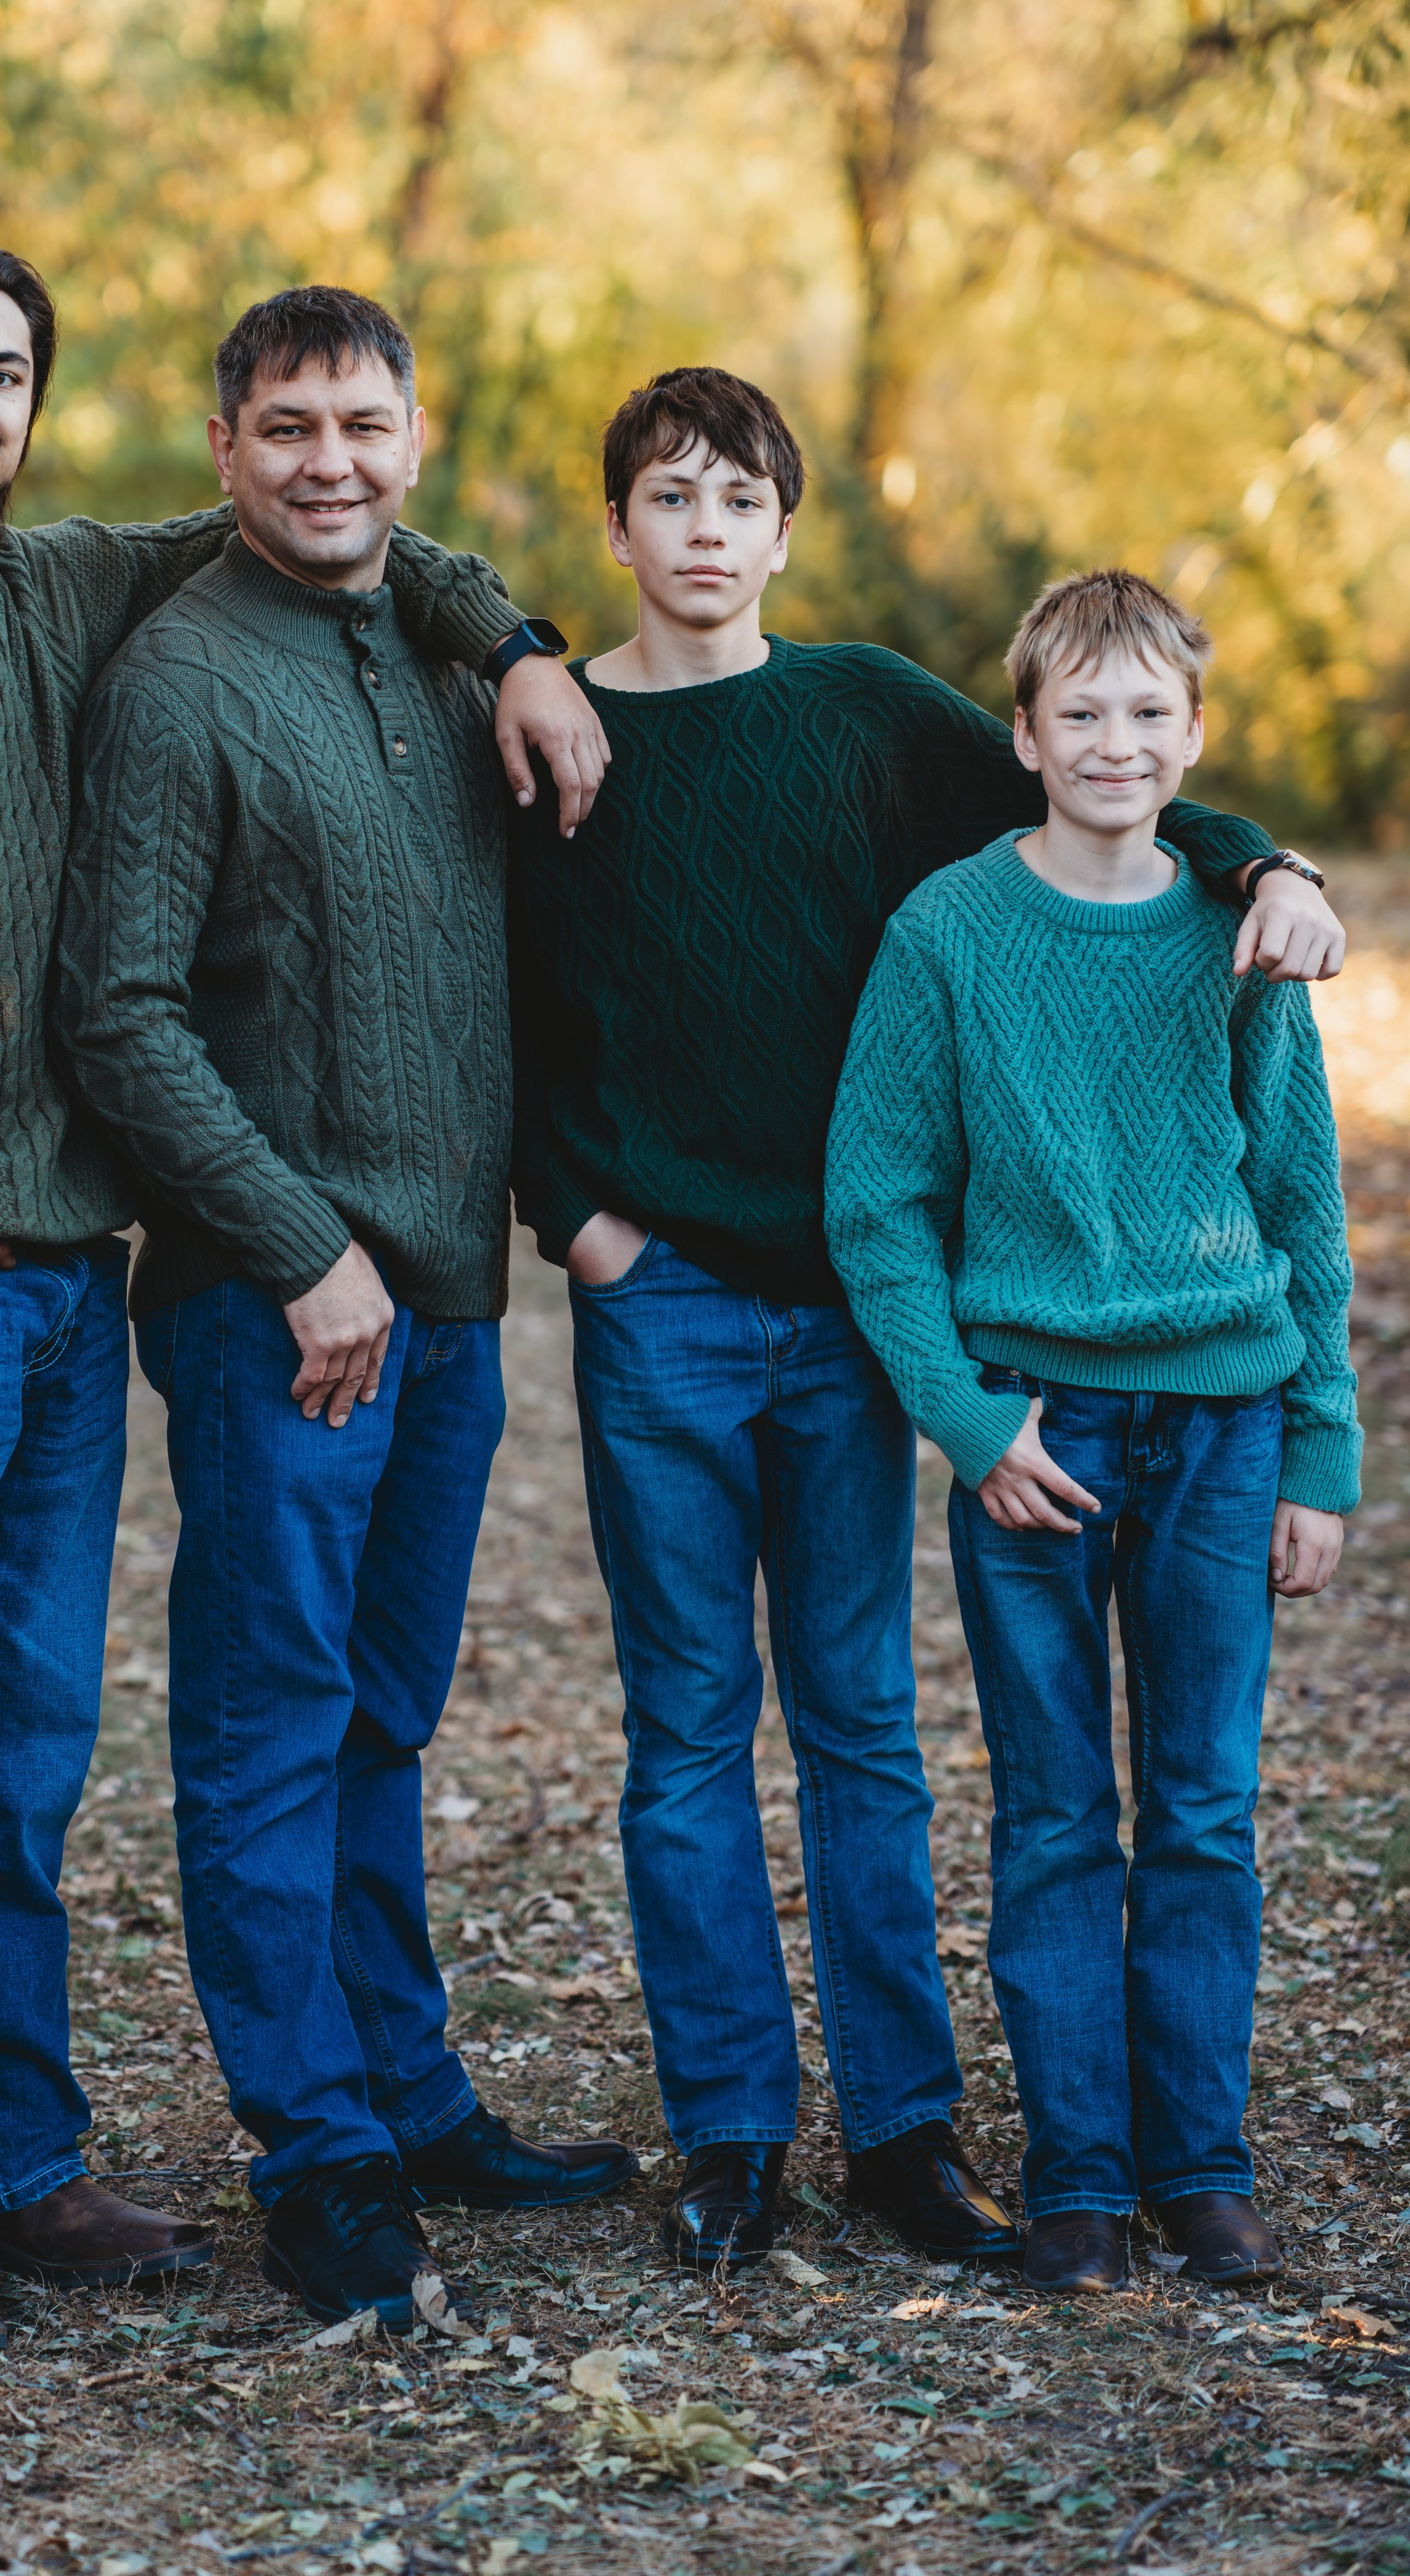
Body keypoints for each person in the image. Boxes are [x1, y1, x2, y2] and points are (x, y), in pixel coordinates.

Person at [0, 238, 608, 2361]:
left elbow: (335, 521)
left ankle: (19, 2157)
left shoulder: (64, 588)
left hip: (68, 1290)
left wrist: (522, 640)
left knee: (19, 1757)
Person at [506, 366, 1346, 2275]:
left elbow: (1103, 775)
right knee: (688, 1735)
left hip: (860, 1317)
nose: (706, 530)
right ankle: (732, 2131)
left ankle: (899, 2127)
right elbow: (519, 995)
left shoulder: (868, 708)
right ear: (621, 527)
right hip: (665, 1307)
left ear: (785, 531)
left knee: (865, 1726)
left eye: (741, 499)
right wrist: (580, 1219)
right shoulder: (554, 739)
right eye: (670, 498)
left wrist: (1270, 859)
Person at [58, 285, 636, 2335]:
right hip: (274, 1308)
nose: (330, 462)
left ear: (413, 435)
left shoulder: (437, 634)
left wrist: (534, 642)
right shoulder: (176, 680)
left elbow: (464, 588)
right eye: (287, 426)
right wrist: (298, 1254)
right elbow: (118, 1014)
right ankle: (316, 2151)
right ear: (223, 448)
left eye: (365, 424)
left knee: (386, 1716)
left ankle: (409, 2094)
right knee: (270, 1722)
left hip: (452, 1299)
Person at [825, 568, 1359, 2293]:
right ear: (1023, 735)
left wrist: (1320, 1448)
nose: (1113, 743)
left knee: (1198, 1806)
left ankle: (1197, 2166)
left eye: (1148, 715)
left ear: (1192, 739)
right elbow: (878, 1208)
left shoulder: (1238, 931)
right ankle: (1072, 2174)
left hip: (1220, 1421)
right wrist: (969, 1422)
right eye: (1080, 714)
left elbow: (1298, 1197)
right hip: (1034, 1447)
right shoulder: (946, 935)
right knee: (1055, 1814)